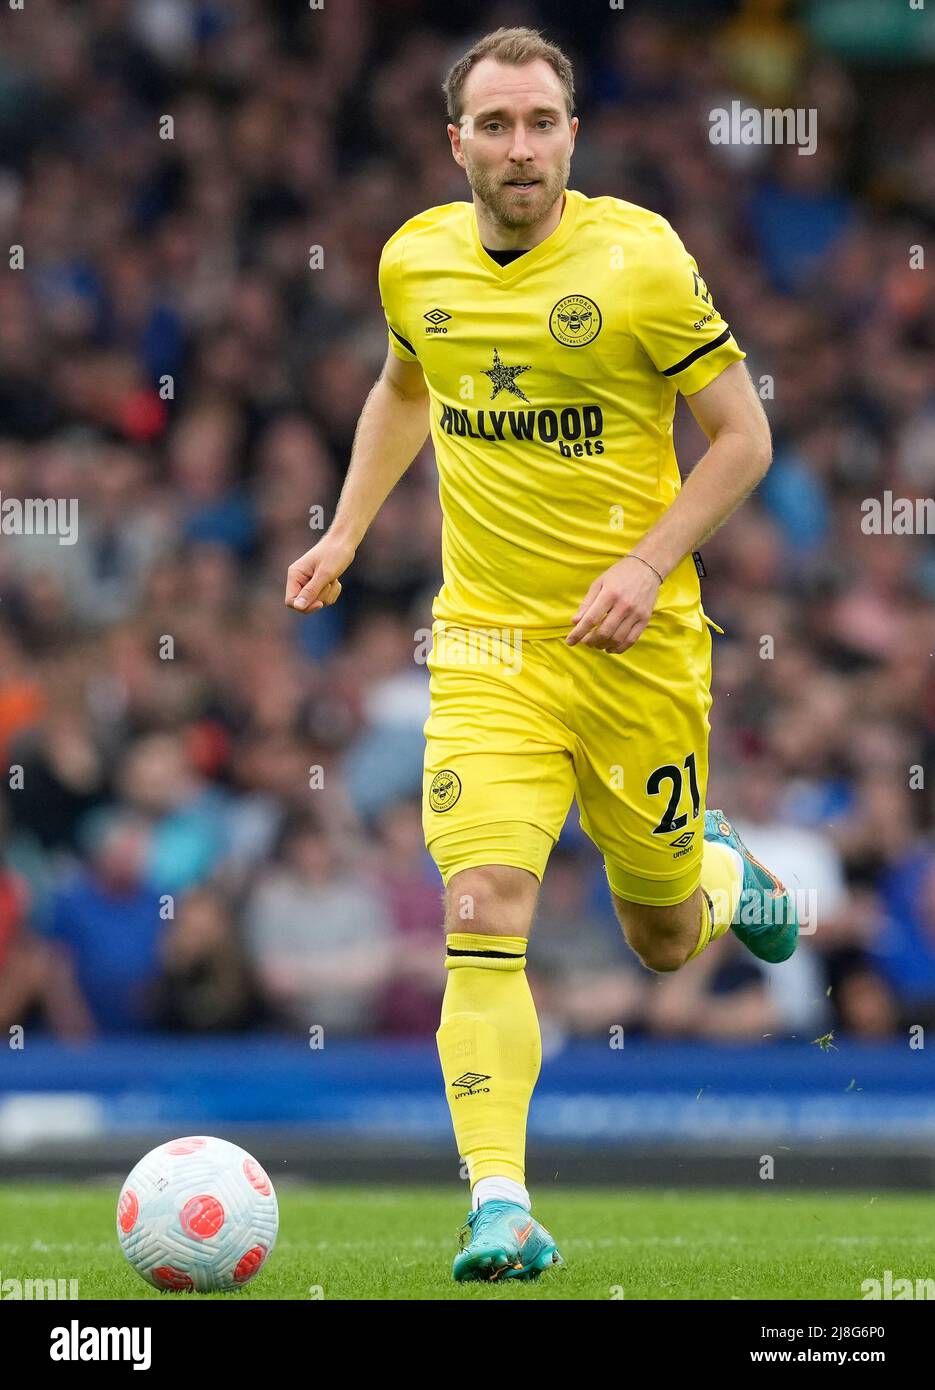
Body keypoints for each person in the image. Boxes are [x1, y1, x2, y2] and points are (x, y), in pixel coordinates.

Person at [285, 26, 798, 1283]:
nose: (520, 148)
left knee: (661, 938)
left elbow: (741, 439)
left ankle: (715, 869)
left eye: (541, 124)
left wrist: (644, 562)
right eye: (495, 125)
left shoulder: (638, 262)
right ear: (453, 139)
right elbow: (408, 387)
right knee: (481, 908)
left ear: (573, 132)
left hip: (638, 647)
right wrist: (344, 530)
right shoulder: (414, 260)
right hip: (484, 644)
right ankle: (499, 1201)